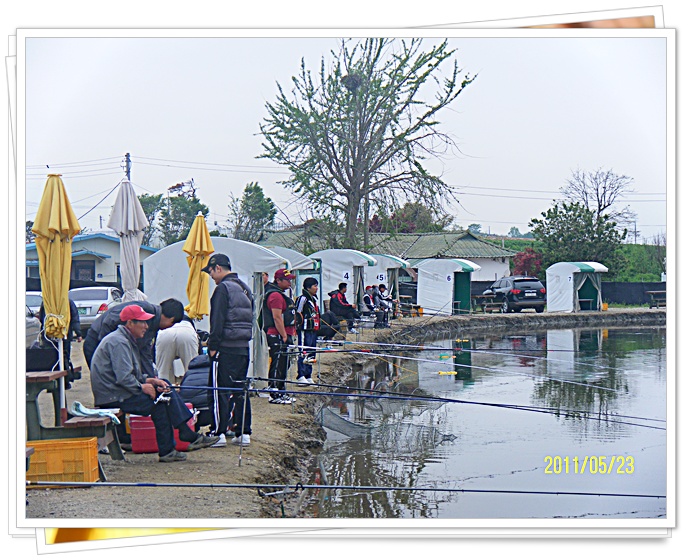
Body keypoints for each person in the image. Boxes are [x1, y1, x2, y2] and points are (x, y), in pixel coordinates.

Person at [90, 305, 219, 462]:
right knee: (162, 402)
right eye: (142, 322)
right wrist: (141, 387)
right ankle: (179, 439)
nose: (146, 326)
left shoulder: (125, 339)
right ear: (130, 323)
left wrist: (149, 380)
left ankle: (178, 441)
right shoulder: (119, 342)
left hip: (117, 391)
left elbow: (128, 375)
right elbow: (123, 378)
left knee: (163, 387)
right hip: (113, 396)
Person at [203, 253, 254, 447]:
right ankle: (243, 432)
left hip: (225, 348)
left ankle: (218, 433)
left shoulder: (222, 289)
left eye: (210, 272)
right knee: (240, 390)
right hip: (243, 347)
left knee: (218, 391)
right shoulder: (245, 288)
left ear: (218, 268)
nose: (211, 277)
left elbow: (217, 320)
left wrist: (213, 346)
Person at [83, 298, 185, 377]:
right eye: (172, 324)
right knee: (108, 380)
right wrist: (107, 347)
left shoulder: (153, 326)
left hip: (108, 345)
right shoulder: (144, 309)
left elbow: (145, 354)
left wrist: (152, 378)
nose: (145, 326)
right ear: (171, 319)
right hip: (95, 341)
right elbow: (109, 321)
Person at [261, 268, 297, 405]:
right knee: (277, 363)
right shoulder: (275, 296)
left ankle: (282, 390)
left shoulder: (281, 294)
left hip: (284, 333)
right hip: (277, 335)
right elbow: (277, 317)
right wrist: (284, 335)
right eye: (287, 280)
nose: (289, 283)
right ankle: (274, 393)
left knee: (284, 363)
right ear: (278, 280)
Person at [155, 316, 200, 385]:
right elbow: (199, 359)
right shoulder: (188, 320)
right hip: (187, 331)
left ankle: (164, 389)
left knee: (162, 372)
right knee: (192, 370)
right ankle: (193, 388)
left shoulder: (165, 319)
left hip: (165, 332)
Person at [295, 277, 320, 384]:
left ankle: (308, 375)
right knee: (303, 351)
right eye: (315, 286)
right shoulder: (302, 299)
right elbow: (297, 313)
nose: (316, 288)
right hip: (304, 329)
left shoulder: (313, 300)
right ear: (308, 288)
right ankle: (300, 375)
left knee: (311, 352)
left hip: (313, 329)